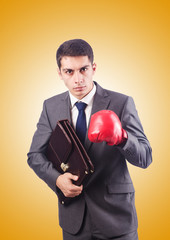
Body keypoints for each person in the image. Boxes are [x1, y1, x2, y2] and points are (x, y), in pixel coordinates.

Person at [27, 39, 152, 240]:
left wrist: (122, 138)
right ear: (60, 73)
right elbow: (35, 156)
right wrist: (57, 180)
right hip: (74, 220)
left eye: (83, 69)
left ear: (93, 68)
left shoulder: (121, 103)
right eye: (69, 71)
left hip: (116, 218)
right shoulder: (50, 107)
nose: (78, 79)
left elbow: (145, 158)